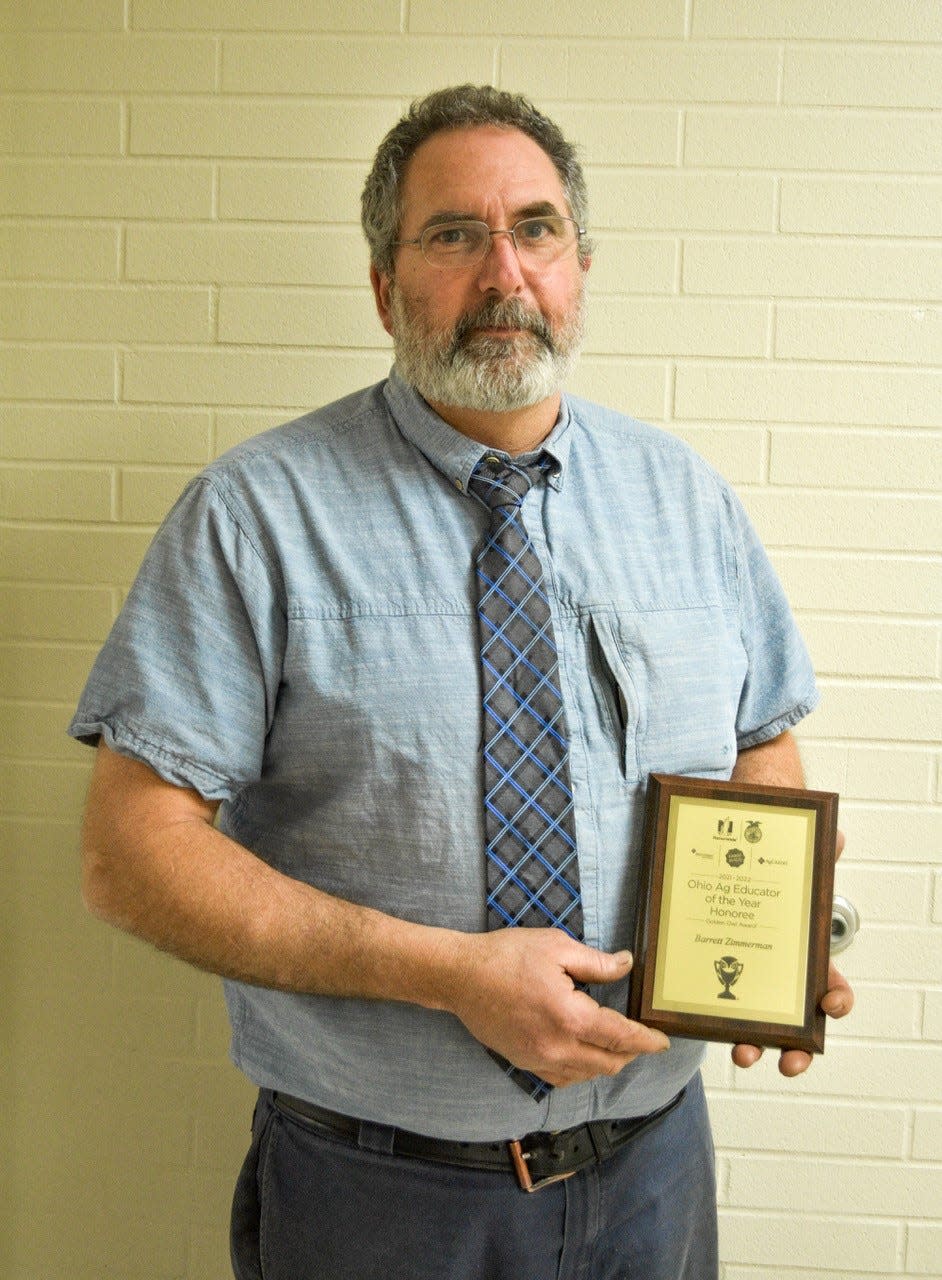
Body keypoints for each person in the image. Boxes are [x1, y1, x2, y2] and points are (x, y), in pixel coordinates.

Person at [70, 85, 852, 1280]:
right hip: (374, 1194)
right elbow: (131, 853)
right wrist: (446, 974)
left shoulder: (685, 500)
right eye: (453, 235)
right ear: (386, 284)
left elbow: (762, 746)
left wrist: (774, 950)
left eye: (535, 229)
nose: (504, 272)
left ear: (580, 266)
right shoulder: (257, 513)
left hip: (654, 1174)